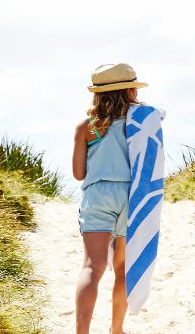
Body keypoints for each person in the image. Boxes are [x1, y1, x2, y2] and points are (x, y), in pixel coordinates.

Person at [72, 63, 146, 334]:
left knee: (92, 267)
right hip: (130, 195)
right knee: (122, 267)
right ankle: (116, 329)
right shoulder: (139, 123)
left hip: (98, 195)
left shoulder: (86, 126)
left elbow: (79, 173)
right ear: (130, 91)